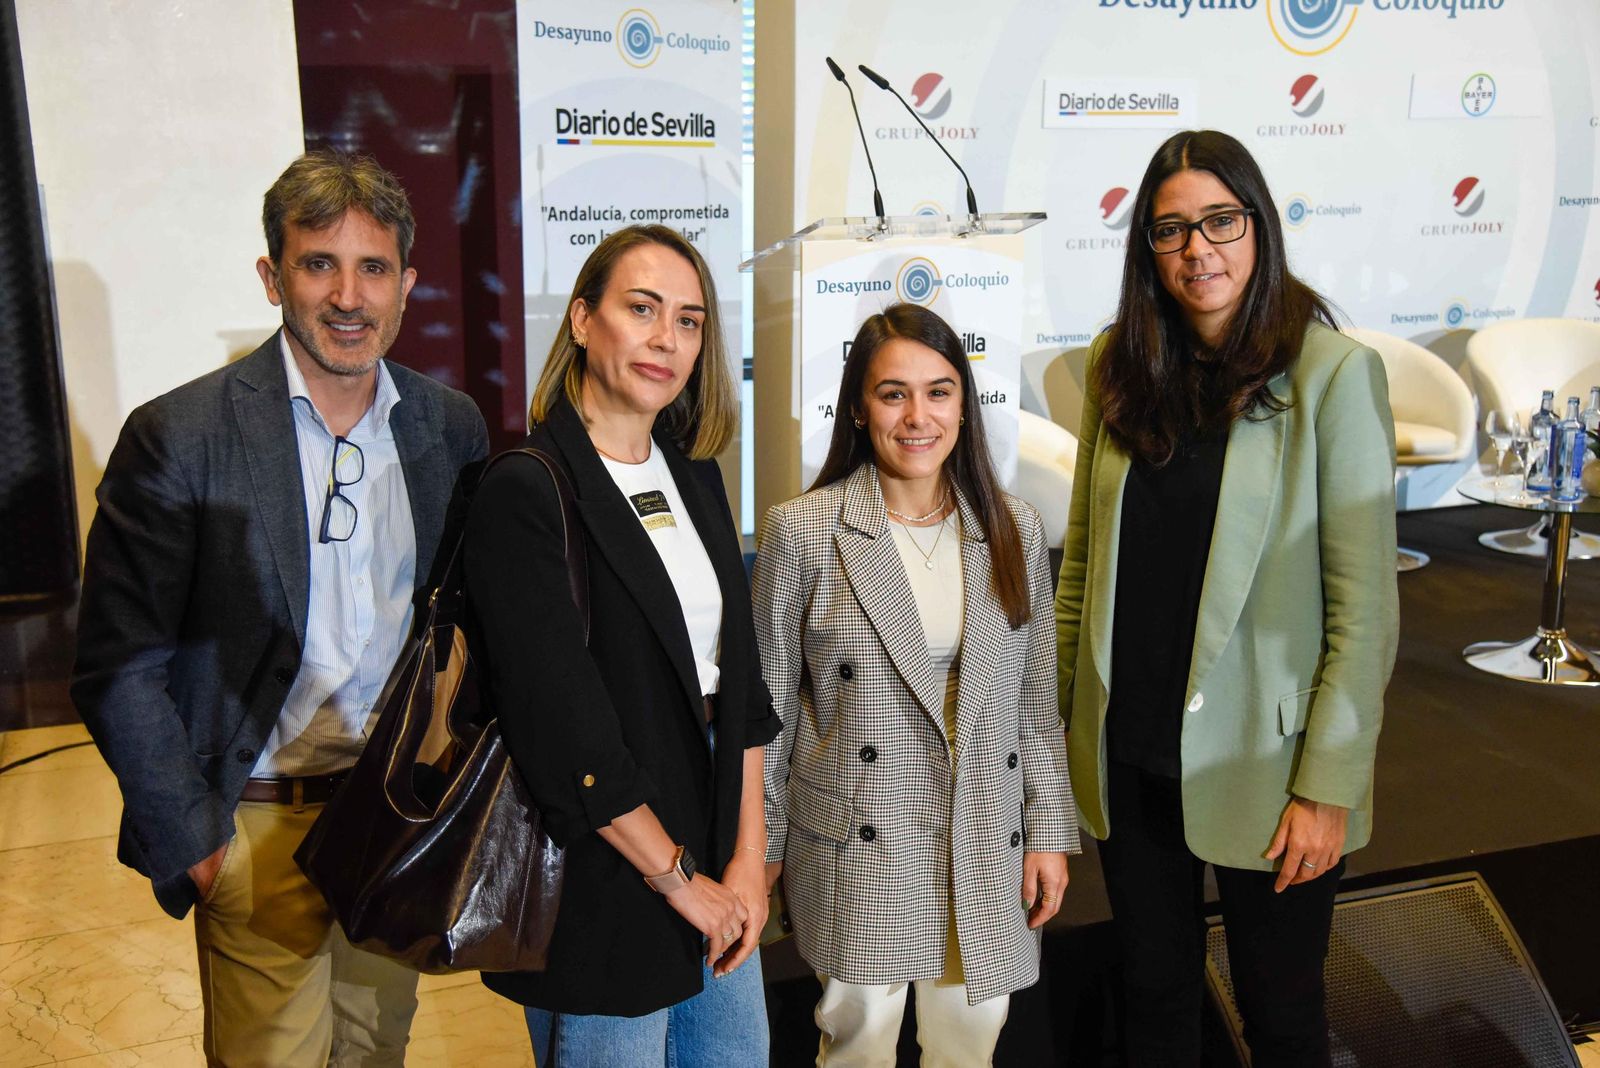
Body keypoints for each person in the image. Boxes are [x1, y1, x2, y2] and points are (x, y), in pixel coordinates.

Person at [71, 150, 489, 1065]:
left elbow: (458, 623)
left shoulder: (448, 427)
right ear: (273, 277)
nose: (349, 295)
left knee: (375, 1053)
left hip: (388, 820)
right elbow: (116, 664)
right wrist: (197, 843)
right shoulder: (180, 435)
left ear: (407, 285)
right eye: (319, 264)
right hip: (254, 826)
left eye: (373, 267)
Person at [1055, 129, 1399, 1067]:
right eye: (1170, 232)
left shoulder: (1332, 376)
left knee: (1282, 1017)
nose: (1197, 249)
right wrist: (1062, 729)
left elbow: (1366, 611)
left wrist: (1328, 787)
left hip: (1271, 764)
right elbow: (1082, 565)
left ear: (1258, 227)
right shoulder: (1115, 366)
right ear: (1147, 251)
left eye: (1219, 222)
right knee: (1155, 1001)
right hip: (1132, 755)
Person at [461, 224, 777, 1065]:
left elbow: (739, 685)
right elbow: (566, 733)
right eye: (641, 309)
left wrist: (748, 860)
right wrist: (676, 880)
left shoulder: (696, 471)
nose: (665, 339)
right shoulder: (526, 487)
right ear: (579, 321)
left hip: (714, 837)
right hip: (605, 863)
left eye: (689, 320)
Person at [755, 302, 1077, 1067]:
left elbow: (1033, 705)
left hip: (981, 832)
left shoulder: (1013, 528)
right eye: (893, 393)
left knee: (971, 1042)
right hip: (861, 835)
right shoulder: (803, 529)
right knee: (859, 1039)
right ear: (860, 409)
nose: (917, 415)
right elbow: (767, 712)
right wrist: (761, 847)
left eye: (938, 391)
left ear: (964, 405)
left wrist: (1049, 833)